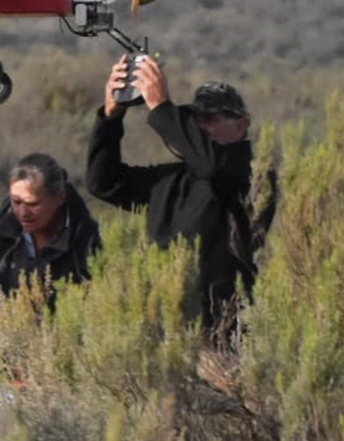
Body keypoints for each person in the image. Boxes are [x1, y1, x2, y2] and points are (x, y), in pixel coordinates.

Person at [86, 54, 258, 330]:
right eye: (194, 119)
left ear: (242, 125)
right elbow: (104, 183)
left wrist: (161, 107)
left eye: (211, 118)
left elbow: (216, 168)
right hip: (164, 323)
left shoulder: (249, 175)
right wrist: (111, 115)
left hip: (221, 325)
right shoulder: (173, 180)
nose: (201, 126)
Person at [0, 153, 101, 311]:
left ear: (60, 197)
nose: (23, 212)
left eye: (33, 204)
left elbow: (98, 302)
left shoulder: (86, 238)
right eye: (16, 202)